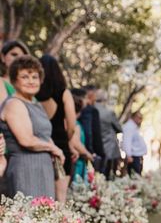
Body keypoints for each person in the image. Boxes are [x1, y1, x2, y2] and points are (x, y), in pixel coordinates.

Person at [0, 56, 64, 199]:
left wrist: (55, 152)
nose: (31, 81)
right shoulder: (14, 104)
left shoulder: (37, 104)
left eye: (35, 77)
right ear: (15, 80)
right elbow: (26, 140)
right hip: (25, 168)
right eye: (24, 76)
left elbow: (44, 135)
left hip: (43, 168)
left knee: (45, 215)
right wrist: (54, 148)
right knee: (29, 216)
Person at [36, 54, 80, 203]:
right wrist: (68, 141)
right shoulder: (64, 93)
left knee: (42, 197)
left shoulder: (33, 94)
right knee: (60, 198)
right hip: (61, 144)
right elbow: (72, 125)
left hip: (40, 144)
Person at [94, 89, 122, 180]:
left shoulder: (90, 109)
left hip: (93, 148)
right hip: (109, 149)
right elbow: (119, 128)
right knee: (108, 177)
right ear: (105, 99)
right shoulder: (109, 113)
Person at [80, 84, 105, 171]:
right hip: (87, 152)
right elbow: (91, 132)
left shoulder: (82, 109)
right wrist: (93, 151)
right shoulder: (90, 110)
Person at [71, 91, 93, 183]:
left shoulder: (70, 123)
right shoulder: (75, 125)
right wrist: (88, 154)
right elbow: (76, 142)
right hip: (78, 160)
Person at [122, 111, 147, 175]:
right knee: (134, 177)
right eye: (139, 118)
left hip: (137, 156)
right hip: (133, 157)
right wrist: (129, 155)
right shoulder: (129, 127)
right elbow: (127, 141)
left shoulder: (134, 127)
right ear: (134, 117)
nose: (141, 120)